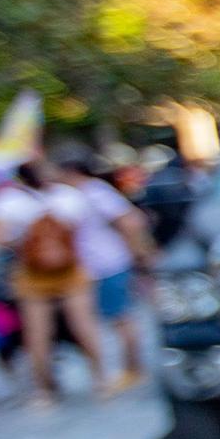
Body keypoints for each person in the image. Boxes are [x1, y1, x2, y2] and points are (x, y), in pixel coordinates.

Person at [0, 160, 111, 406]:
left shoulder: (11, 202)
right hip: (71, 270)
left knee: (38, 332)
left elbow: (1, 238)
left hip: (32, 274)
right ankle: (100, 378)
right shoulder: (69, 196)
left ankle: (44, 390)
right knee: (83, 325)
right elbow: (78, 231)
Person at [55, 153, 153, 391]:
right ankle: (129, 370)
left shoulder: (94, 192)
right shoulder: (83, 194)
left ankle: (133, 369)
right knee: (117, 319)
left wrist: (138, 252)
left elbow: (131, 221)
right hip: (99, 266)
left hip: (107, 264)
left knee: (120, 318)